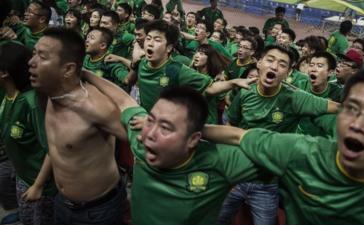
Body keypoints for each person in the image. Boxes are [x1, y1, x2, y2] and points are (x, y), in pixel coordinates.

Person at [203, 67, 364, 225]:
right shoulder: (301, 153)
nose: (357, 125)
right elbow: (239, 136)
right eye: (351, 109)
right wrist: (188, 130)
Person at [83, 69, 265, 225]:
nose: (150, 135)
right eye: (152, 121)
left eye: (165, 128)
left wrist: (199, 130)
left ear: (193, 140)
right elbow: (123, 101)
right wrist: (85, 73)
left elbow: (281, 155)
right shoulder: (142, 137)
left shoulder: (220, 160)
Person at [219, 44, 339, 225]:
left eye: (282, 64)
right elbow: (230, 124)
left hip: (267, 184)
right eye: (270, 60)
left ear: (289, 72)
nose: (274, 67)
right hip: (234, 177)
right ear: (259, 63)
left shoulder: (295, 98)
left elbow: (340, 108)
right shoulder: (245, 93)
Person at [28, 27, 128, 225]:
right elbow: (59, 146)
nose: (31, 63)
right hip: (63, 203)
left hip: (98, 212)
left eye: (42, 56)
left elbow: (143, 145)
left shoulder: (96, 107)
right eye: (34, 54)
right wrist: (39, 184)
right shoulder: (52, 93)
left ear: (68, 69)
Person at [133, 20, 252, 113]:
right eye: (148, 39)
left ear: (169, 47)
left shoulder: (177, 70)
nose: (150, 43)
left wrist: (234, 82)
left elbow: (210, 87)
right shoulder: (142, 62)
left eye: (157, 40)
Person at [0, 42, 57, 225]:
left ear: (4, 73)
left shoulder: (31, 103)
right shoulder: (7, 94)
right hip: (23, 174)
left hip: (39, 183)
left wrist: (38, 186)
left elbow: (52, 148)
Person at [191, 44, 230, 124]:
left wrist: (221, 81)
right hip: (192, 120)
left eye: (201, 54)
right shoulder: (191, 76)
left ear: (209, 59)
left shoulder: (215, 79)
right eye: (196, 52)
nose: (196, 56)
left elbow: (222, 99)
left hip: (208, 122)